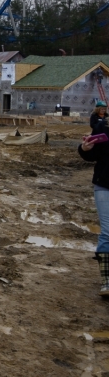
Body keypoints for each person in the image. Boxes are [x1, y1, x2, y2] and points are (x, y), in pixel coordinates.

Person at [79, 117, 109, 298]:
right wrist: (85, 147)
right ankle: (107, 282)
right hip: (105, 187)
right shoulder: (102, 127)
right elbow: (90, 155)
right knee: (107, 232)